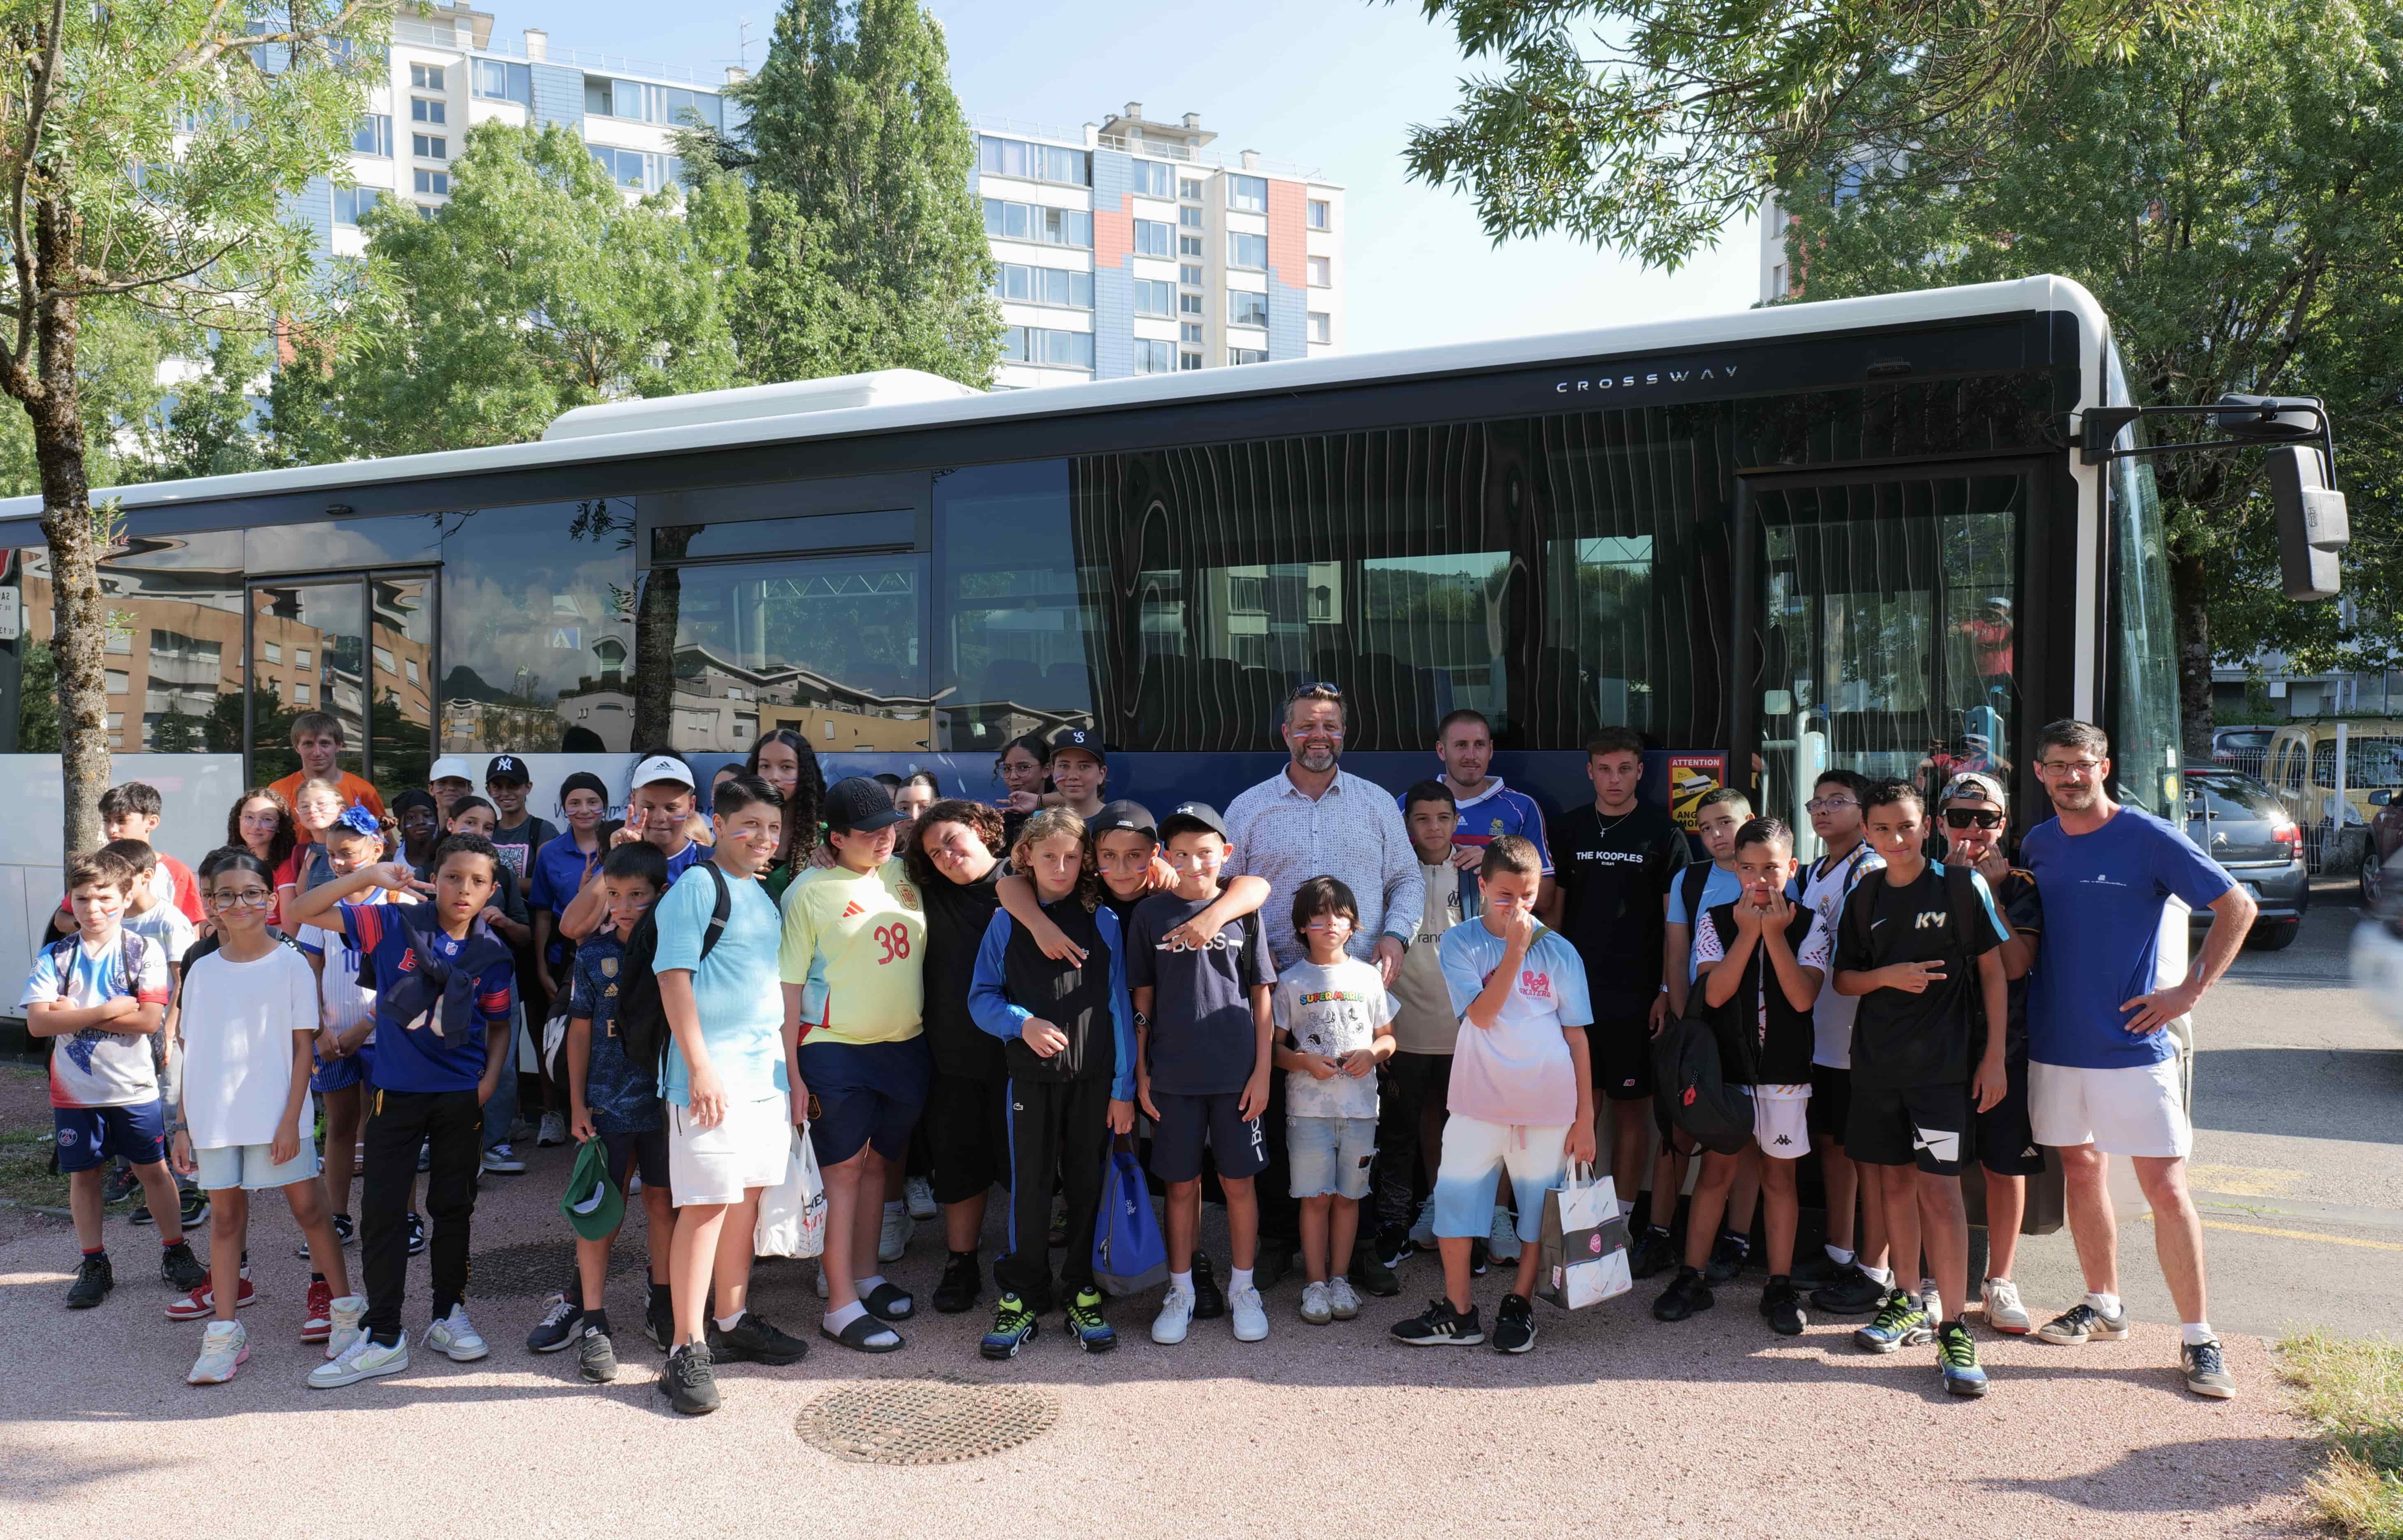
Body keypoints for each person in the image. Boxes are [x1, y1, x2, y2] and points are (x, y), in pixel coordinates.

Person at [2021, 719, 2255, 1398]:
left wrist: (2188, 991)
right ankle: (2103, 1304)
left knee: (2165, 1190)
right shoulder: (2036, 843)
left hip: (2131, 1046)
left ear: (2103, 766)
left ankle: (2197, 1338)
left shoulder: (2146, 836)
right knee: (2079, 1168)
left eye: (2081, 764)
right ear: (2039, 772)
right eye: (2058, 765)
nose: (2070, 776)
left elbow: (2234, 904)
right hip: (2055, 1045)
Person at [288, 834, 516, 1391]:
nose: (463, 890)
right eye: (452, 877)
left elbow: (501, 1024)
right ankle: (385, 1333)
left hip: (460, 1097)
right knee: (384, 1213)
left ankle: (447, 1314)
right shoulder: (392, 925)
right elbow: (298, 910)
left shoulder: (493, 953)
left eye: (477, 881)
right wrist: (370, 879)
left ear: (492, 890)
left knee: (453, 1206)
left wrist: (487, 1082)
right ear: (432, 878)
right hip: (394, 1094)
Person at [1224, 683, 1424, 1285]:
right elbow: (1225, 887)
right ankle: (1280, 1240)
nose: (1320, 737)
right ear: (1286, 733)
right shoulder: (1251, 806)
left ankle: (1356, 1248)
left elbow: (1407, 881)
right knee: (1277, 1117)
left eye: (1331, 727)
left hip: (1357, 994)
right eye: (1307, 726)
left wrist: (1395, 935)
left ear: (1344, 733)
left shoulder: (1375, 804)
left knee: (1361, 1118)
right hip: (1275, 992)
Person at [1831, 778, 2011, 1398]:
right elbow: (1845, 981)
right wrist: (1889, 975)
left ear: (1928, 824)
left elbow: (1996, 975)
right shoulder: (1865, 893)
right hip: (1878, 1068)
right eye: (1882, 829)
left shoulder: (1961, 886)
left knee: (1941, 1195)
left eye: (1906, 826)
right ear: (1868, 832)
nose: (1895, 839)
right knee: (1892, 1185)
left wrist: (1994, 1059)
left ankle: (1954, 1326)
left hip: (1943, 1073)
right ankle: (1906, 1298)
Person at [1392, 836, 1595, 1355]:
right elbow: (1481, 1015)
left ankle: (1520, 1304)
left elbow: (1577, 1036)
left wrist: (1586, 1118)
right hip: (1477, 1102)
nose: (1519, 909)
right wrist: (1516, 951)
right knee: (1455, 1207)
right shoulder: (1460, 942)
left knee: (1534, 1214)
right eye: (1505, 897)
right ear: (1481, 887)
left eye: (1528, 898)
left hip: (1546, 1108)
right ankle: (1459, 1311)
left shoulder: (1562, 950)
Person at [169, 850, 362, 1385]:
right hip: (214, 1118)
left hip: (280, 1113)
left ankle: (346, 1313)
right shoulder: (201, 970)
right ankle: (225, 1335)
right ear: (210, 904)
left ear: (270, 899)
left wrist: (290, 1119)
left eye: (252, 892)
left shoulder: (292, 963)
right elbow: (192, 1048)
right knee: (226, 1221)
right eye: (225, 894)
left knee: (311, 1211)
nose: (240, 903)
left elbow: (304, 1050)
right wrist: (182, 1123)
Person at [653, 774, 810, 1414]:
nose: (763, 839)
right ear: (716, 824)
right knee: (707, 1205)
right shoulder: (697, 886)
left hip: (762, 1077)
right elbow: (674, 979)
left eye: (773, 828)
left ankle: (733, 1319)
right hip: (710, 1081)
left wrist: (791, 1077)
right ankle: (684, 1351)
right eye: (750, 825)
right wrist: (701, 1068)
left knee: (744, 1202)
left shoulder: (762, 894)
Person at [969, 807, 1137, 1359]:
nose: (1061, 867)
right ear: (1027, 858)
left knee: (1088, 1186)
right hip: (1031, 1080)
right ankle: (1022, 1293)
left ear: (1084, 858)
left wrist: (1123, 1088)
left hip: (1095, 1080)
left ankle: (1081, 1289)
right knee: (1032, 1186)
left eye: (1071, 856)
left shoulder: (1105, 921)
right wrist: (1022, 1024)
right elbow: (981, 998)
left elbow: (1118, 1008)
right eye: (1049, 856)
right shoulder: (1006, 921)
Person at [1652, 817, 1829, 1335]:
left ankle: (1778, 1285)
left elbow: (1802, 996)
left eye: (1771, 869)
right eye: (1747, 868)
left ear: (1790, 868)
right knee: (1716, 1175)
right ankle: (1692, 1276)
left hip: (1784, 1072)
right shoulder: (1715, 919)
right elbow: (1716, 992)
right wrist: (1748, 935)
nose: (1759, 881)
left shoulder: (1811, 922)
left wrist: (1773, 935)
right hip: (1724, 1071)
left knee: (1779, 1177)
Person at [780, 776, 931, 1357]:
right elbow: (789, 989)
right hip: (834, 1047)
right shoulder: (808, 891)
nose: (884, 839)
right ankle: (838, 1303)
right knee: (841, 1171)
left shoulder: (904, 871)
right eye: (868, 833)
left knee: (877, 1165)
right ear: (834, 837)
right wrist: (793, 1071)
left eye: (890, 826)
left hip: (905, 1044)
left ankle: (865, 1275)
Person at [21, 849, 206, 1308]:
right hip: (74, 1092)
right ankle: (94, 1261)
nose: (93, 908)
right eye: (82, 899)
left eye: (104, 897)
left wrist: (73, 1015)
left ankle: (175, 1249)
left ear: (125, 897)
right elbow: (38, 1025)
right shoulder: (56, 954)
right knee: (84, 1176)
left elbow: (147, 1020)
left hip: (133, 1087)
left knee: (153, 1171)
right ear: (71, 901)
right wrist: (108, 1009)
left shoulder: (144, 949)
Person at [1127, 801, 1278, 1345]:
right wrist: (1141, 1073)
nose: (1193, 864)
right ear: (1167, 855)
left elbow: (1262, 996)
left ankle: (1243, 1287)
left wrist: (1263, 1072)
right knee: (1181, 1185)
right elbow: (1142, 998)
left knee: (1238, 1183)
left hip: (1237, 1077)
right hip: (1172, 1076)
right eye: (1182, 854)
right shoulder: (1150, 915)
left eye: (1205, 854)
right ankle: (1182, 1288)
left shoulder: (1244, 910)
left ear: (1227, 854)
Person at [537, 840, 678, 1382]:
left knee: (665, 1207)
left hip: (664, 1105)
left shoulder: (673, 948)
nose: (623, 906)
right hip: (606, 1105)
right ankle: (593, 1320)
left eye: (637, 895)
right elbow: (579, 1029)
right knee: (601, 1211)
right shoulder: (593, 955)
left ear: (660, 894)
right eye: (614, 894)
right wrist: (575, 1102)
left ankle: (662, 1302)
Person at [1545, 729, 1689, 1242]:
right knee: (1579, 1109)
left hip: (1635, 996)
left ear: (1640, 771)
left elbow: (1677, 926)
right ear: (1589, 771)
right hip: (1573, 995)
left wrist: (1667, 991)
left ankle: (1624, 1219)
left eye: (1625, 768)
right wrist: (1547, 986)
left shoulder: (1663, 833)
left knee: (1632, 1115)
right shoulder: (1568, 829)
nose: (1614, 779)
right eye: (1605, 769)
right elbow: (1555, 915)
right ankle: (1576, 1220)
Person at [1935, 771, 2045, 1336]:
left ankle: (1999, 1280)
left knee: (2004, 1166)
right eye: (1960, 818)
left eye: (1987, 819)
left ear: (2004, 825)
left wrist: (1993, 894)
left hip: (2006, 1046)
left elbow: (2017, 964)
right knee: (1938, 1167)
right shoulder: (1921, 878)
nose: (1973, 830)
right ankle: (1938, 1280)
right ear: (1939, 823)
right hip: (1937, 1049)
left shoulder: (2022, 883)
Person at [903, 800, 1014, 1315]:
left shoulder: (1026, 877)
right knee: (960, 1167)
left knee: (1026, 1168)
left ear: (979, 829)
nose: (946, 856)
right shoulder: (928, 893)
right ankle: (961, 1262)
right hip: (953, 1057)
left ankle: (1023, 1260)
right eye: (933, 852)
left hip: (1022, 1056)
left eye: (952, 840)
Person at [1272, 876, 1396, 1327]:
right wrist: (1304, 1063)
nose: (1330, 924)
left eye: (1340, 916)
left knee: (1349, 1198)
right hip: (1308, 1113)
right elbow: (1274, 1051)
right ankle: (1315, 1282)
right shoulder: (1289, 981)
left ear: (1354, 924)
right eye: (1318, 916)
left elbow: (1387, 1039)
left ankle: (1341, 1278)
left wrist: (1371, 1054)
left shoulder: (1368, 976)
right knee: (1315, 1198)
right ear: (1302, 926)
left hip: (1362, 1111)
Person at [1638, 785, 1750, 1280]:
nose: (1716, 835)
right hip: (1697, 1030)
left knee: (1745, 1137)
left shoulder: (1780, 876)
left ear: (1751, 820)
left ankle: (1738, 1240)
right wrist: (1688, 1023)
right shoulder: (1690, 878)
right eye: (1705, 828)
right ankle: (1659, 1234)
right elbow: (1677, 955)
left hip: (1756, 1036)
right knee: (1676, 1132)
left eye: (1725, 822)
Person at [1792, 769, 1893, 1317]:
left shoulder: (1868, 868)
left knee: (1870, 1157)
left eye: (1838, 801)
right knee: (1834, 1148)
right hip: (1823, 1037)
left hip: (1860, 1037)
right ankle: (1839, 1251)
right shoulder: (1814, 871)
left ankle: (1875, 1272)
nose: (1824, 810)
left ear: (1863, 811)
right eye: (1818, 801)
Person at [294, 806, 403, 1260]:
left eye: (348, 853)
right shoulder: (325, 909)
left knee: (392, 1130)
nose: (339, 862)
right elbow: (307, 974)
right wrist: (320, 1031)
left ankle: (402, 1216)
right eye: (331, 855)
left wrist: (366, 1025)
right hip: (333, 1042)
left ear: (377, 849)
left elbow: (407, 979)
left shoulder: (399, 905)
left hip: (387, 1038)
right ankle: (337, 1215)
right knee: (339, 1127)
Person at [1374, 780, 1470, 1271]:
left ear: (1457, 821)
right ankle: (1395, 1223)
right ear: (1406, 824)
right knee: (1399, 1132)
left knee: (1462, 1133)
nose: (1434, 828)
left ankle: (1460, 1222)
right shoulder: (1393, 872)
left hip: (1464, 1032)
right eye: (1422, 819)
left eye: (1443, 818)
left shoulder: (1478, 870)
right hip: (1402, 1029)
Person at [108, 839, 202, 1227]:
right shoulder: (113, 918)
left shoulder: (168, 920)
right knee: (133, 1104)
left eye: (120, 877)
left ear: (146, 877)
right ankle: (155, 1188)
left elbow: (182, 980)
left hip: (164, 1025)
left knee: (170, 1102)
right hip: (124, 1030)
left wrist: (169, 1028)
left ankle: (191, 1190)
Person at [483, 756, 563, 1146]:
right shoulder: (487, 828)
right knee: (502, 1034)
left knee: (540, 1029)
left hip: (532, 939)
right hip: (495, 946)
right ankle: (509, 1116)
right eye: (497, 785)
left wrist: (506, 883)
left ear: (528, 788)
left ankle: (551, 1114)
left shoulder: (541, 829)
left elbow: (545, 882)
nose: (505, 792)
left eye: (513, 785)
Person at [556, 755, 711, 944]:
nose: (660, 818)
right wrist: (617, 860)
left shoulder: (711, 862)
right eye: (649, 807)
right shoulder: (624, 858)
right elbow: (572, 928)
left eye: (671, 808)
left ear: (691, 806)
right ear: (634, 803)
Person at [1424, 708, 1553, 912]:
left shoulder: (1522, 807)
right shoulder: (1409, 806)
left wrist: (1497, 863)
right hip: (1427, 941)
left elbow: (1546, 897)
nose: (1471, 756)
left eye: (1480, 745)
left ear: (1491, 750)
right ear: (1441, 751)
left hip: (1496, 941)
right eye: (1461, 745)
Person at [529, 771, 612, 1018]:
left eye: (593, 802)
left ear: (604, 806)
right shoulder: (550, 853)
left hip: (614, 951)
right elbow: (543, 914)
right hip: (565, 956)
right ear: (564, 808)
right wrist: (542, 969)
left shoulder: (621, 845)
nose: (584, 810)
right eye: (575, 803)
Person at [267, 711, 387, 839]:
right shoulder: (278, 791)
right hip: (294, 858)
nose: (317, 752)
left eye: (325, 744)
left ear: (339, 745)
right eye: (308, 744)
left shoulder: (364, 791)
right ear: (297, 747)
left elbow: (384, 839)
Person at [100, 782, 203, 923]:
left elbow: (191, 929)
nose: (112, 829)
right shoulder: (96, 866)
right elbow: (62, 918)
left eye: (122, 820)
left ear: (152, 823)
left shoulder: (177, 872)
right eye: (107, 821)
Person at [745, 728, 827, 901]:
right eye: (765, 766)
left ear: (804, 774)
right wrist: (736, 872)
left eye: (786, 767)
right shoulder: (735, 831)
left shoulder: (827, 838)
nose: (774, 777)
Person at [226, 788, 297, 929]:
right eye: (249, 817)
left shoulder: (286, 866)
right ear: (238, 820)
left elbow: (292, 930)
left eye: (267, 820)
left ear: (280, 826)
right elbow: (206, 920)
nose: (256, 826)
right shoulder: (224, 863)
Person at [273, 777, 345, 915]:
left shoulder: (355, 849)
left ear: (341, 809)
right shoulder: (301, 853)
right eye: (305, 806)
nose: (312, 810)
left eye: (321, 804)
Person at [994, 731, 1049, 845]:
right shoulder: (999, 824)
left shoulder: (1063, 818)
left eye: (1024, 767)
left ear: (1046, 771)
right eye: (1007, 769)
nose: (1013, 777)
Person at [392, 790, 442, 880]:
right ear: (399, 825)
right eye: (411, 817)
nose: (420, 822)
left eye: (427, 815)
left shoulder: (447, 859)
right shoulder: (390, 867)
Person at [428, 756, 477, 821]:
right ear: (431, 789)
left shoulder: (482, 828)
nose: (451, 788)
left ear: (469, 790)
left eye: (459, 783)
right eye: (443, 782)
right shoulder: (420, 828)